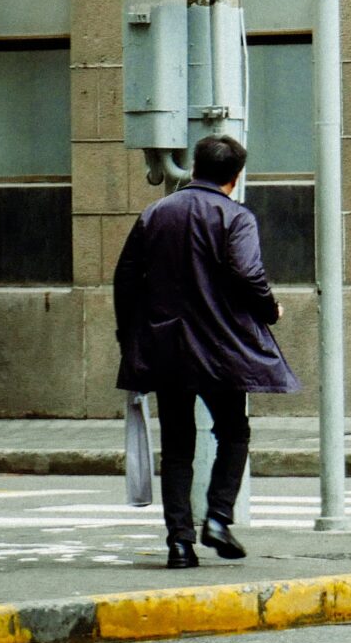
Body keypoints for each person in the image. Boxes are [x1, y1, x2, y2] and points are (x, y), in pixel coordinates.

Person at [111, 133, 299, 568]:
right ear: (235, 177)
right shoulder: (236, 217)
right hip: (222, 349)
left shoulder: (155, 213)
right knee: (233, 430)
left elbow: (125, 279)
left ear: (194, 169)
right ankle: (217, 517)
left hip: (167, 347)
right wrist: (271, 310)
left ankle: (179, 542)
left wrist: (130, 337)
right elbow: (249, 274)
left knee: (177, 444)